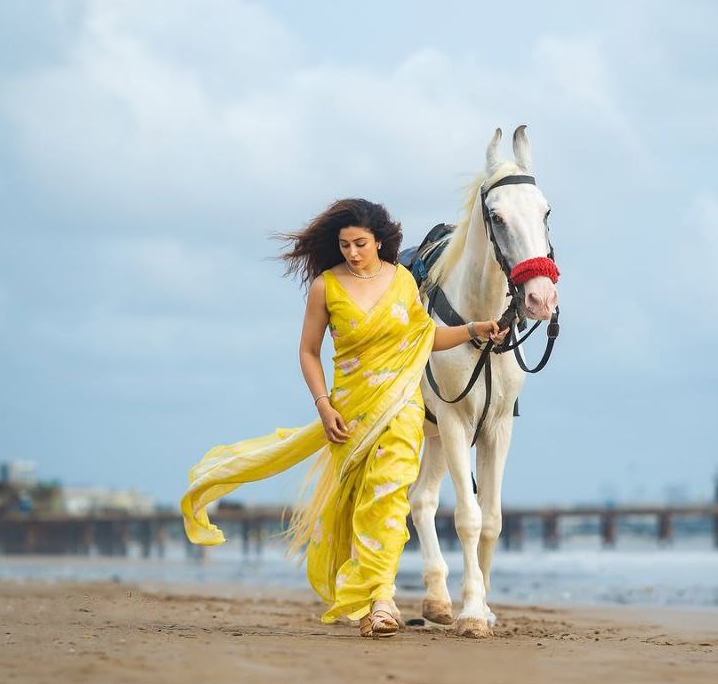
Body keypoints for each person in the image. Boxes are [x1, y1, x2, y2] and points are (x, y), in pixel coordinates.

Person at [179, 198, 508, 638]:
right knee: (358, 506)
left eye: (360, 243)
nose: (352, 252)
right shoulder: (325, 287)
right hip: (349, 413)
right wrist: (323, 405)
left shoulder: (404, 282)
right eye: (345, 244)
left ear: (380, 242)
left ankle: (383, 603)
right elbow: (308, 352)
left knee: (389, 499)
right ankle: (377, 597)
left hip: (402, 407)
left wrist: (473, 330)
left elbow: (425, 337)